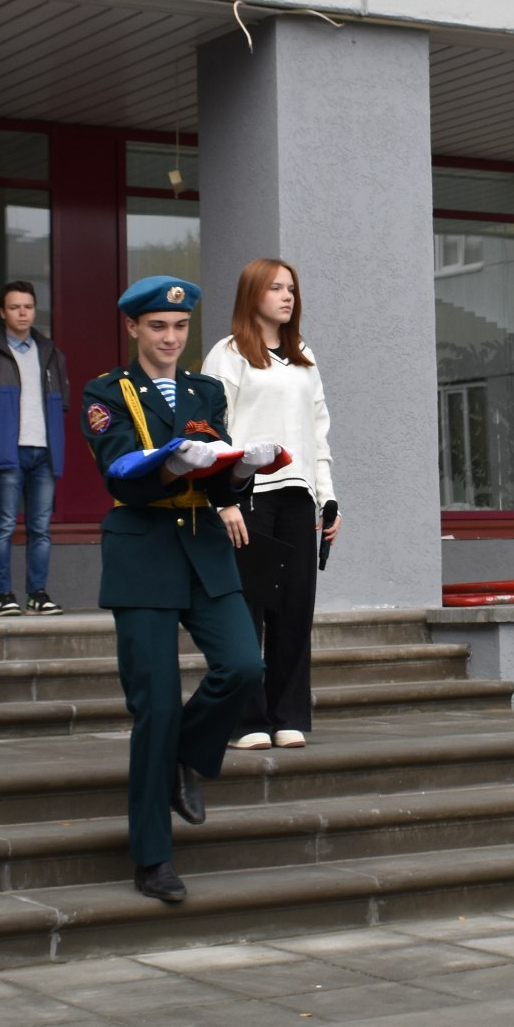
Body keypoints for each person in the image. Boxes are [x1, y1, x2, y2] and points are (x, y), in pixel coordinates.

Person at [80, 276, 280, 903]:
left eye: (180, 326)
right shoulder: (107, 392)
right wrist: (169, 463)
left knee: (244, 666)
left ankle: (183, 756)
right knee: (157, 707)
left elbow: (218, 480)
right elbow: (120, 471)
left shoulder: (205, 390)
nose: (170, 337)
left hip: (203, 548)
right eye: (158, 326)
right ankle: (153, 858)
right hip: (142, 551)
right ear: (134, 328)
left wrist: (242, 472)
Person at [205, 258, 340, 751]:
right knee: (249, 610)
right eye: (276, 288)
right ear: (252, 294)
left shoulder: (304, 356)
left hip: (299, 498)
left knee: (295, 609)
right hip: (249, 497)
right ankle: (245, 720)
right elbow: (212, 431)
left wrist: (328, 497)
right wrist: (223, 499)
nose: (287, 296)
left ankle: (288, 716)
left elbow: (318, 432)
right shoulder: (228, 354)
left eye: (291, 289)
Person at [0, 278, 68, 616]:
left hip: (44, 453)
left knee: (41, 528)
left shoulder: (51, 354)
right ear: (2, 313)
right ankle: (3, 594)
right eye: (15, 307)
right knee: (4, 525)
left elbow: (62, 402)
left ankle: (37, 593)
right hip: (7, 452)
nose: (23, 313)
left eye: (28, 307)